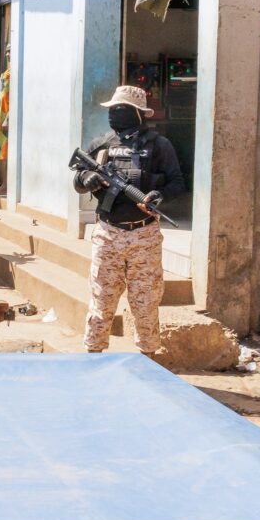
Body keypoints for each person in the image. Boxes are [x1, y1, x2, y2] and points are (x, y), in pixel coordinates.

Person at [72, 86, 185, 357]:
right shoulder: (101, 144)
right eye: (113, 110)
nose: (115, 114)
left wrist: (160, 195)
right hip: (108, 233)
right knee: (101, 300)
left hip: (143, 235)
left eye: (121, 110)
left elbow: (178, 182)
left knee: (145, 303)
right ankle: (93, 355)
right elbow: (77, 179)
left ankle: (147, 359)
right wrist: (85, 180)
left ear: (138, 113)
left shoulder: (159, 146)